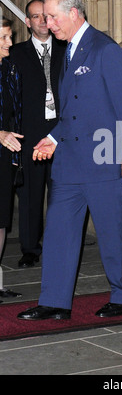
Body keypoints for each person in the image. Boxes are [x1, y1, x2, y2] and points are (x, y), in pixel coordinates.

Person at [18, 0, 122, 321]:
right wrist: (54, 139)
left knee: (110, 231)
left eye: (52, 17)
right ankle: (55, 301)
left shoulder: (105, 50)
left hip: (104, 159)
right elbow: (74, 109)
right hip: (69, 163)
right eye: (44, 17)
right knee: (59, 232)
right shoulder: (69, 50)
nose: (48, 23)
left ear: (73, 13)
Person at [10, 0, 66, 268]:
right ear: (27, 22)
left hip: (61, 132)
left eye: (46, 16)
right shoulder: (14, 53)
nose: (43, 21)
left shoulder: (67, 48)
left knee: (61, 192)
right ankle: (30, 249)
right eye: (36, 17)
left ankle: (58, 244)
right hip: (29, 134)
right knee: (30, 194)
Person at [0, 17, 23, 298]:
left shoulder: (8, 68)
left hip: (6, 153)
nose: (10, 43)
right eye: (4, 37)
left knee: (2, 217)